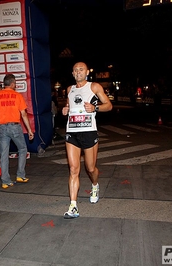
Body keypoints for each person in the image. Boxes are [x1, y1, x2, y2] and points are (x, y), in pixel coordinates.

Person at [61, 62, 113, 219]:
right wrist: (66, 109)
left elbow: (109, 105)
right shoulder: (70, 89)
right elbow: (69, 105)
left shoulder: (94, 87)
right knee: (73, 169)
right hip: (72, 133)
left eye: (81, 69)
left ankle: (95, 186)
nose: (78, 72)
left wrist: (95, 108)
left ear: (87, 72)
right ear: (72, 73)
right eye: (75, 70)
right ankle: (73, 206)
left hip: (89, 132)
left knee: (90, 169)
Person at [0, 74, 34, 189]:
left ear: (5, 83)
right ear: (13, 83)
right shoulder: (17, 96)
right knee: (23, 149)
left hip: (2, 127)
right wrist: (29, 130)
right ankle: (20, 175)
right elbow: (24, 114)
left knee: (4, 154)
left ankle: (5, 181)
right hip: (15, 127)